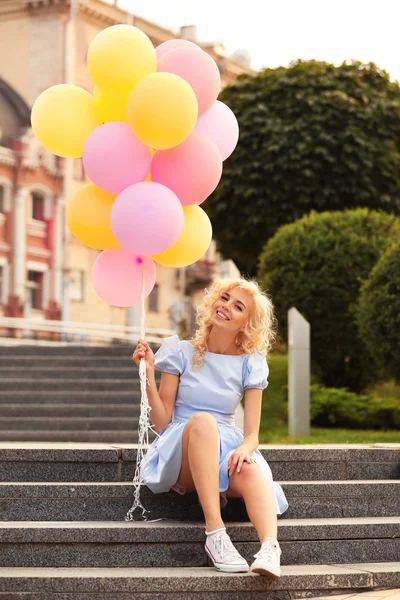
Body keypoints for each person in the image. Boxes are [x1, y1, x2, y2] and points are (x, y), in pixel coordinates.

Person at [132, 277, 288, 577]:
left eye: (237, 306)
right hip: (184, 447)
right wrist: (149, 374)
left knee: (251, 468)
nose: (226, 306)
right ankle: (215, 534)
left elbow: (252, 434)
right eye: (225, 298)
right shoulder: (180, 351)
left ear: (246, 324)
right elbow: (163, 422)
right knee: (203, 421)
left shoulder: (250, 363)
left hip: (225, 444)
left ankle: (270, 548)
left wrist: (243, 450)